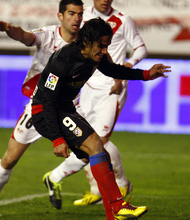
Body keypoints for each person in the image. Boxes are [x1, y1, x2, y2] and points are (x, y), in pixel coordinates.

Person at [31, 17, 170, 220]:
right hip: (45, 111)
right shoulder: (63, 60)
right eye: (101, 46)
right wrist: (57, 139)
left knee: (100, 155)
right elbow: (48, 103)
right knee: (96, 144)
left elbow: (114, 70)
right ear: (86, 40)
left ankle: (112, 215)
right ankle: (118, 206)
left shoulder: (96, 56)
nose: (105, 51)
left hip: (65, 109)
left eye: (107, 46)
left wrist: (147, 74)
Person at [0, 0, 85, 217]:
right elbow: (25, 36)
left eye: (80, 14)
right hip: (39, 107)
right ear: (60, 16)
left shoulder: (84, 42)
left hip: (68, 109)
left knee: (88, 151)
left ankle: (54, 177)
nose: (76, 18)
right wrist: (10, 29)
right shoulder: (47, 35)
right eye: (71, 13)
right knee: (10, 158)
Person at [43, 0, 148, 206]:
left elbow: (141, 49)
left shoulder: (123, 20)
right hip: (88, 86)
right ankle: (96, 190)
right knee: (90, 140)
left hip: (112, 87)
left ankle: (119, 183)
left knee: (99, 141)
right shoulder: (84, 18)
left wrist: (126, 68)